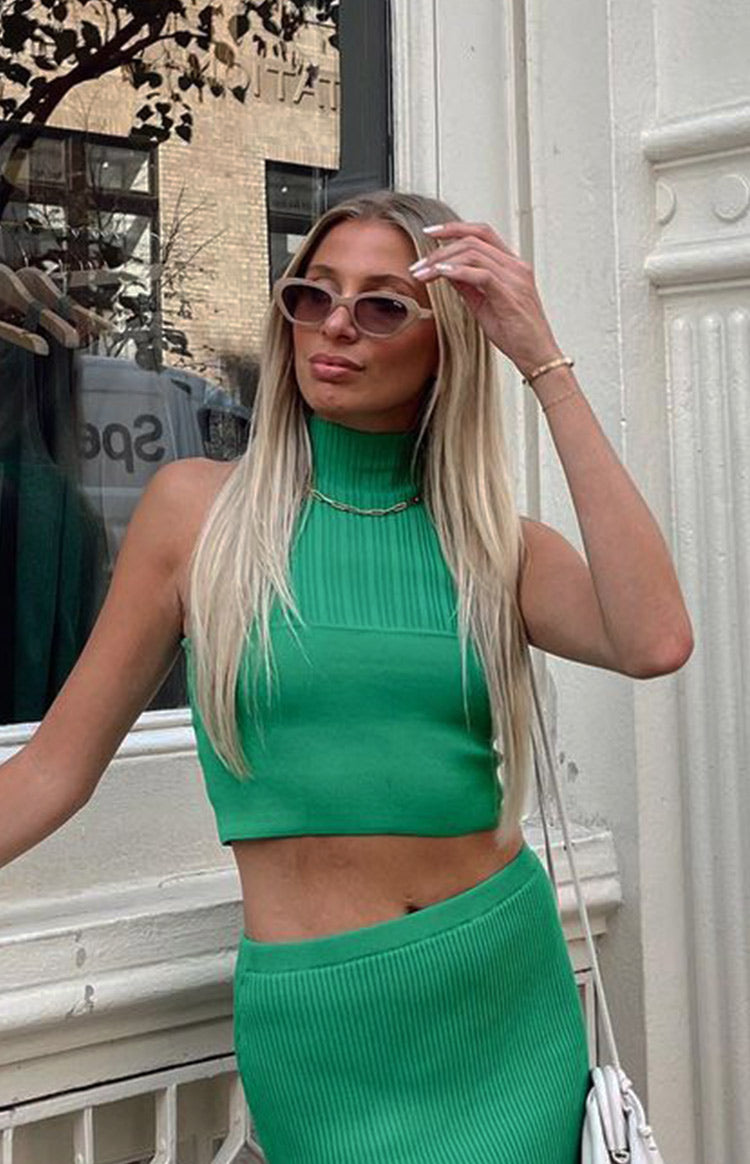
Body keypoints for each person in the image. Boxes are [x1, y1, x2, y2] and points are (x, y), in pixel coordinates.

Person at [0, 189, 693, 1162]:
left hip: (497, 994)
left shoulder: (490, 544)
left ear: (445, 345)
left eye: (381, 306)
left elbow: (655, 638)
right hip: (320, 1029)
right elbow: (52, 770)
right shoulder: (199, 516)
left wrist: (542, 362)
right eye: (312, 295)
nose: (335, 325)